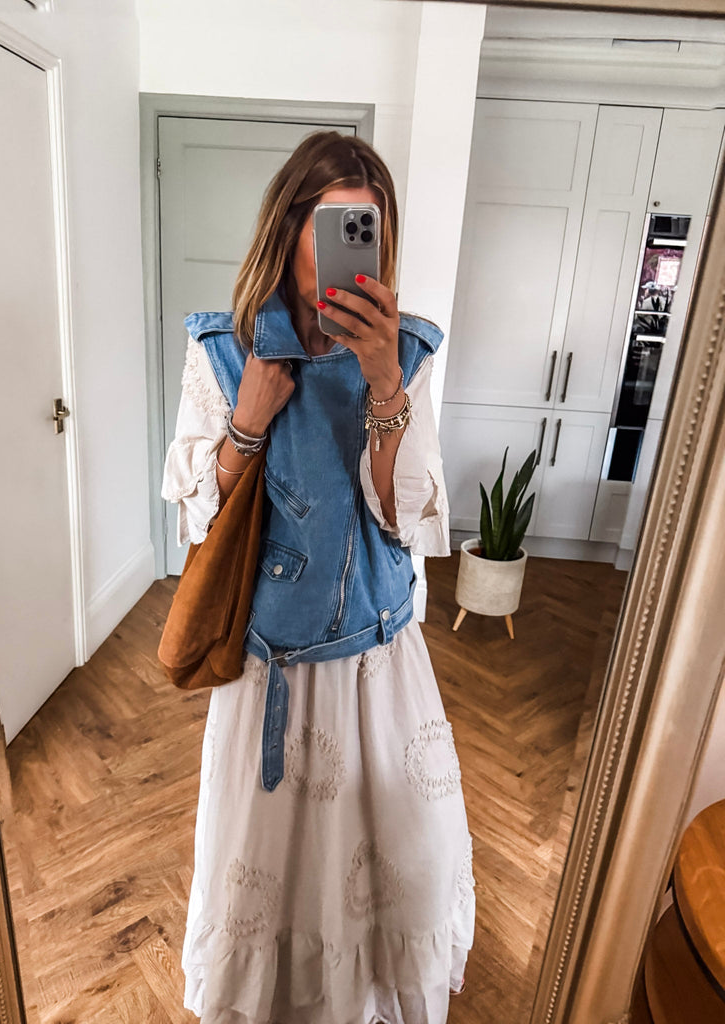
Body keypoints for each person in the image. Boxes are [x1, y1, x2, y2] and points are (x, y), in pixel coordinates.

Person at [161, 131, 475, 1024]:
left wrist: (385, 386)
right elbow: (198, 519)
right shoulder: (222, 350)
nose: (347, 246)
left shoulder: (407, 353)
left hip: (378, 670)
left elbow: (405, 521)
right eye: (331, 224)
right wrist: (248, 419)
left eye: (364, 228)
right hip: (271, 673)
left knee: (397, 870)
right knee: (272, 876)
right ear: (289, 224)